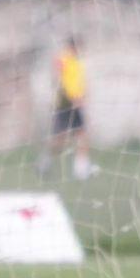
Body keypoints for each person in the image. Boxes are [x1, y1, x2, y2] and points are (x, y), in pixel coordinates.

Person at [40, 36, 97, 180]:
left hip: (76, 103)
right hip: (66, 103)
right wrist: (70, 98)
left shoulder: (78, 62)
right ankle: (46, 160)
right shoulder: (63, 59)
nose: (80, 50)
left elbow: (79, 81)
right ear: (72, 46)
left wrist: (84, 96)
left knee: (82, 134)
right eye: (78, 46)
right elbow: (58, 79)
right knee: (61, 138)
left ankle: (80, 168)